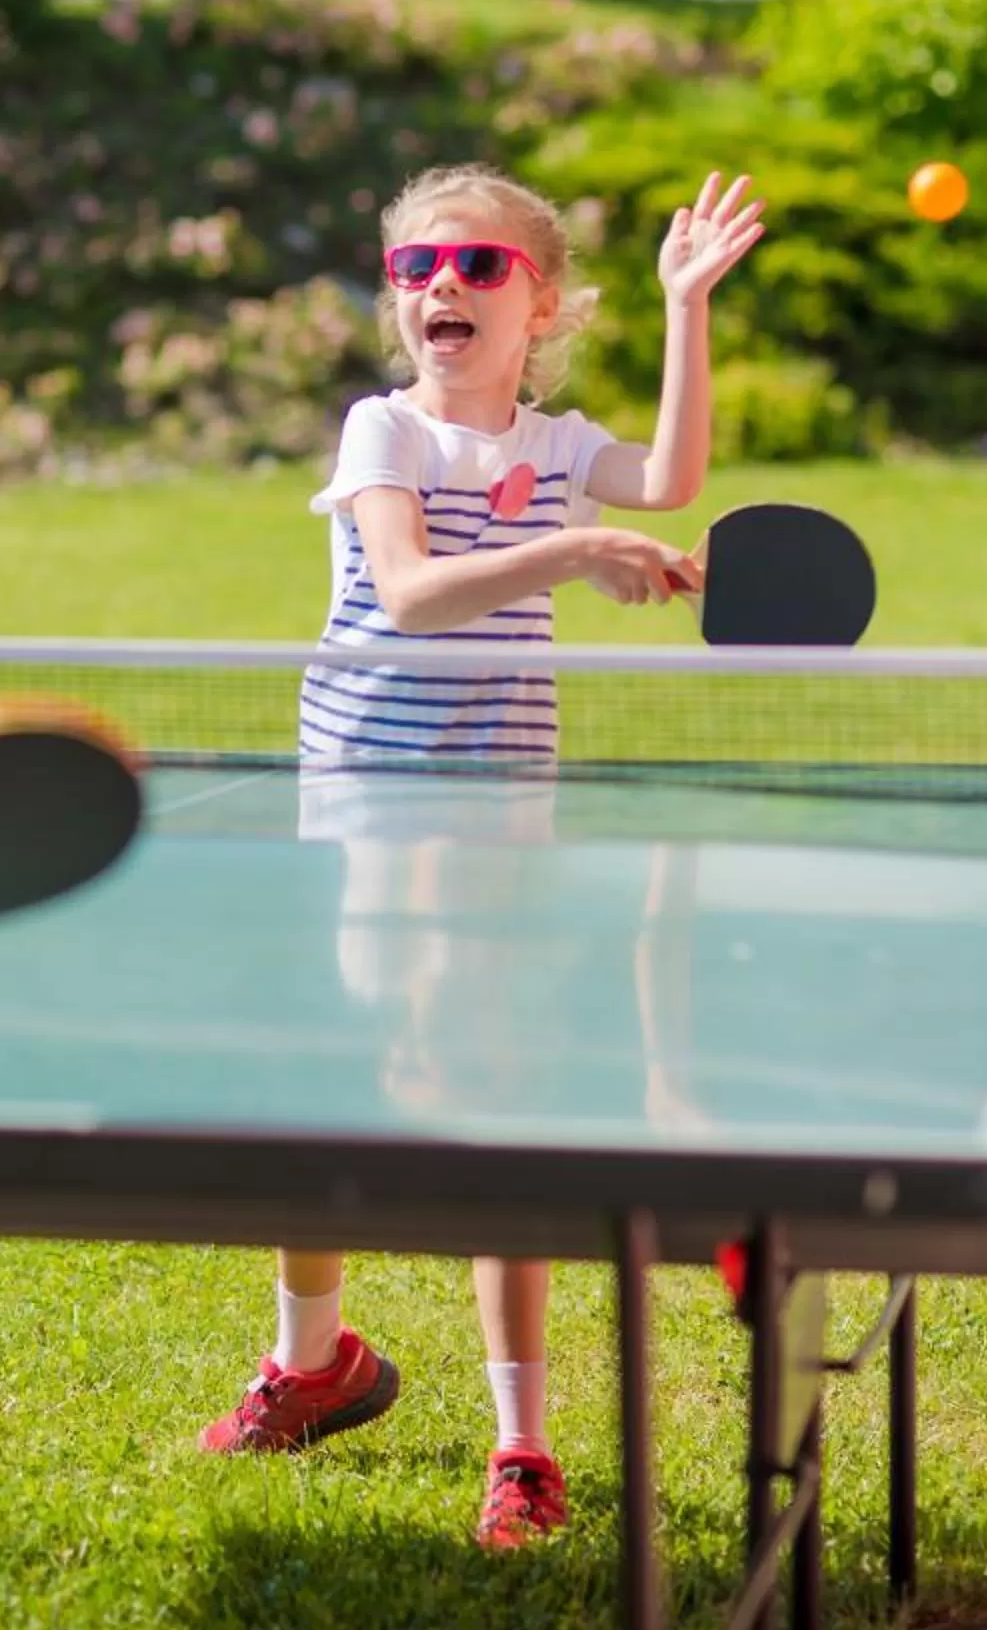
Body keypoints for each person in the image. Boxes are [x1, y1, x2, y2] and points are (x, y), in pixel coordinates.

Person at [199, 161, 764, 1548]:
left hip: (499, 808)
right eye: (413, 269)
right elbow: (408, 591)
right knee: (334, 1090)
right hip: (365, 806)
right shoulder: (382, 429)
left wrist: (689, 306)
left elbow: (677, 475)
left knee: (493, 1096)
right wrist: (573, 552)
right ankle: (313, 1360)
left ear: (543, 305)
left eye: (477, 267)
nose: (439, 286)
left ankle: (522, 1445)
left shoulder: (568, 447)